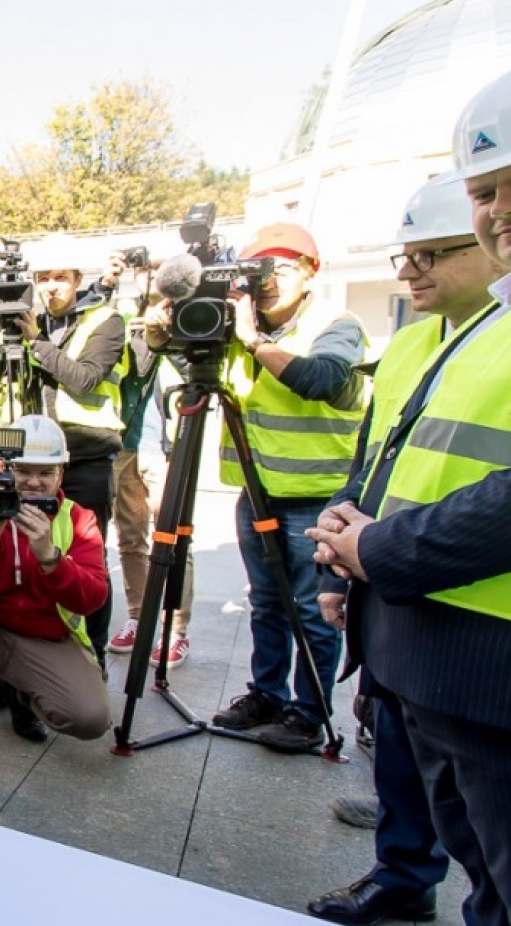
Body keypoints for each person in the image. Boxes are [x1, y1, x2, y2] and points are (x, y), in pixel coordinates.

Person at [309, 58, 511, 926]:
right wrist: (353, 553)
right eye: (486, 190)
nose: (504, 208)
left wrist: (377, 549)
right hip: (455, 661)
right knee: (508, 919)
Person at [306, 173, 502, 926]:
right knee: (396, 741)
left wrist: (376, 551)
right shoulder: (417, 342)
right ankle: (404, 871)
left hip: (474, 596)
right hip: (386, 577)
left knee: (490, 815)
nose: (411, 270)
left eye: (432, 253)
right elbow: (377, 459)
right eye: (404, 256)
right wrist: (344, 552)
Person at [210, 221, 368, 752]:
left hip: (317, 496)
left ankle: (310, 711)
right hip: (257, 493)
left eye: (281, 266)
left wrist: (253, 341)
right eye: (259, 268)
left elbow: (321, 379)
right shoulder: (240, 321)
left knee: (313, 608)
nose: (269, 278)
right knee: (266, 604)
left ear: (309, 270)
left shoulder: (335, 324)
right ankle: (268, 694)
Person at [0, 415, 110, 796]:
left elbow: (93, 598)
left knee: (90, 719)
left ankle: (23, 694)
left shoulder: (79, 519)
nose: (33, 482)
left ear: (62, 471)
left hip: (43, 637)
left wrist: (50, 558)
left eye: (45, 473)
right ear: (3, 469)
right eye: (23, 471)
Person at [0, 244, 128, 670]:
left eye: (60, 277)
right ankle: (23, 650)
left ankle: (94, 654)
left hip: (84, 456)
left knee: (87, 561)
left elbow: (85, 380)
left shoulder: (105, 320)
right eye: (44, 278)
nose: (50, 287)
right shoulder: (26, 317)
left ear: (77, 280)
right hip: (30, 460)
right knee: (22, 550)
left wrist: (37, 341)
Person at [107, 279, 196, 669]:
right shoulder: (125, 325)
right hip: (126, 444)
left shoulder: (187, 330)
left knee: (173, 538)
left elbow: (196, 377)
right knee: (129, 539)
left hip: (168, 448)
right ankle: (138, 616)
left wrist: (168, 336)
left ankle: (174, 629)